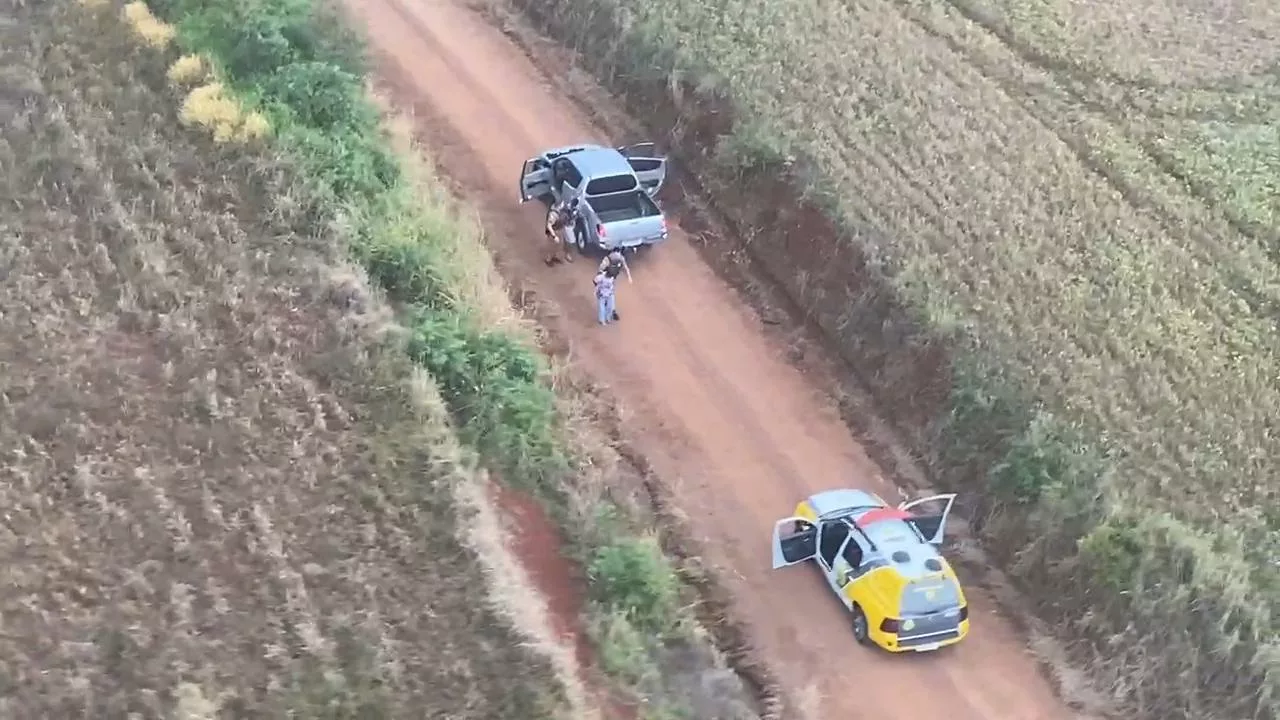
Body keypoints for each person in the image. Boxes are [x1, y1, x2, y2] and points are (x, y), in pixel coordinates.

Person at [543, 197, 578, 266]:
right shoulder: (553, 214)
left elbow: (567, 219)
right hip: (553, 232)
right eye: (561, 204)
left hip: (559, 230)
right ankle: (548, 259)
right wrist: (554, 236)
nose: (563, 205)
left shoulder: (562, 211)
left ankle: (554, 256)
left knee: (558, 246)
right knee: (551, 246)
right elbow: (549, 225)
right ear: (558, 206)